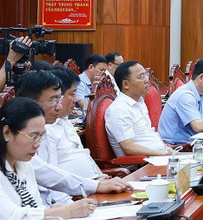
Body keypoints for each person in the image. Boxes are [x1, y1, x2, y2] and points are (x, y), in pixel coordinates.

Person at [15, 71, 130, 205]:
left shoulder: (49, 127)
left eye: (59, 99)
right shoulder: (26, 138)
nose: (59, 106)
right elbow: (48, 177)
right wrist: (73, 204)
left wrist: (99, 181)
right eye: (53, 100)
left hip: (74, 197)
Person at [0, 98, 96, 220]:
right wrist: (62, 212)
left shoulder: (23, 164)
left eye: (41, 136)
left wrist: (55, 209)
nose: (38, 144)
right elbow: (10, 218)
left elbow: (34, 207)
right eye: (32, 136)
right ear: (7, 132)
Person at [105, 61, 170, 157]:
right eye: (141, 77)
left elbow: (147, 135)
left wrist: (169, 151)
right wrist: (163, 154)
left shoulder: (139, 101)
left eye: (146, 75)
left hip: (159, 155)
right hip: (143, 164)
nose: (147, 80)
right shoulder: (119, 109)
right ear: (126, 84)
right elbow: (128, 147)